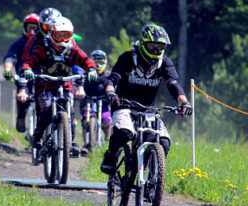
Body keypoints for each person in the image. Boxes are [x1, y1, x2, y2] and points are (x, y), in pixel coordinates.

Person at [101, 23, 193, 175]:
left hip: (148, 109)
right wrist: (110, 92)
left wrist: (184, 102)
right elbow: (113, 78)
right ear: (143, 43)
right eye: (152, 46)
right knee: (124, 133)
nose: (156, 51)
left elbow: (173, 84)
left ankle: (154, 180)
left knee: (163, 142)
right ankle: (111, 155)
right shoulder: (128, 58)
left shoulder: (165, 62)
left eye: (160, 47)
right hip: (123, 105)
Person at [20, 16, 99, 152]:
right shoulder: (43, 48)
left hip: (66, 84)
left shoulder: (72, 49)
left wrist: (92, 69)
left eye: (66, 35)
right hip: (45, 85)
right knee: (47, 109)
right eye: (59, 35)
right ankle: (37, 136)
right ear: (51, 33)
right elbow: (29, 60)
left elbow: (85, 60)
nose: (62, 39)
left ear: (71, 34)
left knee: (71, 109)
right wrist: (27, 69)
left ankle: (70, 141)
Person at [2, 13, 40, 132]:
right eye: (30, 28)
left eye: (35, 28)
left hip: (41, 76)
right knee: (23, 98)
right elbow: (10, 57)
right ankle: (21, 116)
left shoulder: (43, 42)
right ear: (25, 28)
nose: (32, 31)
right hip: (23, 76)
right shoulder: (19, 43)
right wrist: (7, 70)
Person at [80, 50, 112, 152]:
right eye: (95, 63)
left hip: (104, 102)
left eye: (101, 63)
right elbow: (79, 84)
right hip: (88, 101)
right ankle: (86, 144)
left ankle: (108, 142)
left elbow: (113, 85)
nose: (98, 65)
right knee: (86, 119)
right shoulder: (85, 74)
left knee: (107, 119)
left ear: (105, 62)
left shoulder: (108, 75)